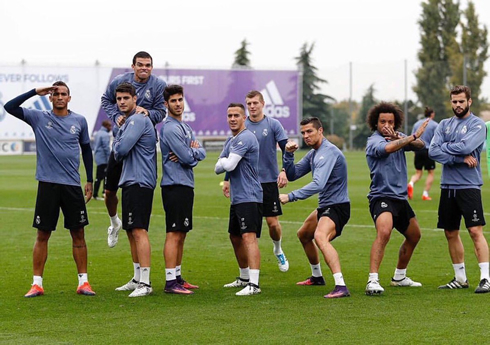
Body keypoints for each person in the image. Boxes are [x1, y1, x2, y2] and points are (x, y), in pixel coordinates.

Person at [4, 81, 96, 297]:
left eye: (64, 94)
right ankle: (37, 284)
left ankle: (83, 282)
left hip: (73, 185)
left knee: (79, 233)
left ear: (69, 98)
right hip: (48, 184)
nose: (60, 97)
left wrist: (90, 180)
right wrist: (35, 91)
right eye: (56, 94)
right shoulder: (39, 118)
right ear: (50, 98)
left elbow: (86, 151)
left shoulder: (79, 121)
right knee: (43, 233)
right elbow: (9, 106)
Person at [279, 117, 351, 299]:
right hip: (326, 205)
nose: (306, 136)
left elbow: (318, 184)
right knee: (304, 234)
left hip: (337, 206)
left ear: (321, 131)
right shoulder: (314, 153)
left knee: (320, 237)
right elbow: (293, 174)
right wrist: (288, 154)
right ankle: (317, 276)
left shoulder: (327, 152)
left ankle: (341, 286)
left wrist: (290, 196)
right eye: (303, 133)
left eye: (309, 131)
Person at [101, 51, 166, 248]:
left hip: (144, 146)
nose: (144, 68)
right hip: (121, 142)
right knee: (109, 192)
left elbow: (161, 112)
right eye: (140, 64)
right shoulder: (119, 81)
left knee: (138, 189)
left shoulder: (158, 85)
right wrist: (115, 116)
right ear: (133, 66)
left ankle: (137, 229)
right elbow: (106, 100)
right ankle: (114, 223)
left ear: (152, 67)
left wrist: (148, 113)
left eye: (147, 65)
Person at [429, 85, 490, 293]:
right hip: (448, 186)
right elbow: (432, 151)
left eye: (461, 101)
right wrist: (459, 158)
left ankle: (485, 278)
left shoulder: (478, 125)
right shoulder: (444, 124)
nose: (457, 105)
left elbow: (465, 147)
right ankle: (460, 278)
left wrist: (448, 148)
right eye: (454, 101)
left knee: (474, 231)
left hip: (469, 186)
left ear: (469, 102)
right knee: (450, 232)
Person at [365, 102, 429, 295]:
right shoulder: (374, 141)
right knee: (384, 232)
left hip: (400, 199)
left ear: (396, 123)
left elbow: (421, 146)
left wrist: (408, 139)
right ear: (375, 123)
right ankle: (372, 280)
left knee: (414, 235)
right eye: (383, 121)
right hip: (381, 196)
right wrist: (411, 136)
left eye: (391, 122)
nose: (387, 125)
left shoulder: (398, 137)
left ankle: (399, 276)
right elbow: (388, 149)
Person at [222, 91, 289, 272]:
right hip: (247, 185)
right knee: (246, 232)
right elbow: (232, 156)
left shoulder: (273, 124)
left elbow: (287, 149)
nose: (252, 106)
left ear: (263, 104)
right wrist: (227, 180)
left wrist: (284, 171)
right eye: (249, 103)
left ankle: (278, 249)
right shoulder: (242, 127)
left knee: (272, 223)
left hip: (268, 181)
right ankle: (247, 274)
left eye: (255, 103)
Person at [159, 85, 206, 294]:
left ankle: (178, 277)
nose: (178, 104)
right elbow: (189, 157)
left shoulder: (185, 127)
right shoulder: (169, 127)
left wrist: (193, 153)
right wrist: (192, 153)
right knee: (174, 233)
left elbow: (197, 154)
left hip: (186, 184)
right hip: (174, 185)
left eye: (180, 100)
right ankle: (170, 282)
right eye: (174, 101)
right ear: (166, 104)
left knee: (182, 233)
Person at [112, 82, 157, 297]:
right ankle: (137, 277)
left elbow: (120, 150)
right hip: (131, 180)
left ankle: (146, 283)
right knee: (131, 231)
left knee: (139, 230)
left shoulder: (138, 120)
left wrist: (116, 142)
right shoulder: (130, 121)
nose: (121, 102)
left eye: (125, 98)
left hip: (140, 180)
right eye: (119, 99)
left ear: (135, 99)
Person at [215, 103, 263, 296]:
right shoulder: (231, 139)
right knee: (235, 236)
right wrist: (224, 163)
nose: (232, 119)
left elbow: (230, 164)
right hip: (238, 197)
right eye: (229, 115)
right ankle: (244, 277)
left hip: (250, 196)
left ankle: (254, 284)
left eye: (236, 115)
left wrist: (225, 162)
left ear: (244, 118)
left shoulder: (245, 138)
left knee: (248, 238)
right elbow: (218, 167)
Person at [408, 107, 438, 201]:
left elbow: (412, 137)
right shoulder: (434, 125)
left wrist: (414, 151)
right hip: (428, 150)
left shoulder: (417, 124)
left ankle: (411, 183)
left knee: (418, 173)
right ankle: (425, 194)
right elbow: (437, 138)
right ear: (432, 114)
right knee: (431, 172)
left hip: (418, 150)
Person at [93, 119, 112, 200]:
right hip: (103, 158)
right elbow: (106, 147)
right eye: (109, 125)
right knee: (105, 176)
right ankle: (103, 193)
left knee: (99, 176)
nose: (110, 127)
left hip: (98, 157)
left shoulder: (98, 133)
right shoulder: (105, 135)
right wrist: (109, 158)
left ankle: (95, 193)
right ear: (106, 126)